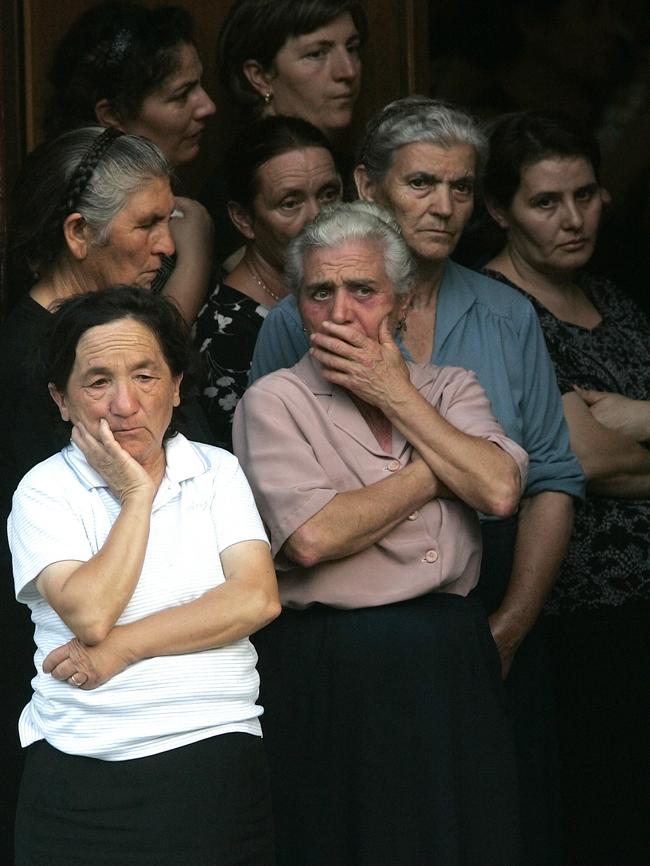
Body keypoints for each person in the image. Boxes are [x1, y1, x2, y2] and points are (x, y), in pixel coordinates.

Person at [249, 97, 585, 866]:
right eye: (423, 183)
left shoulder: (503, 317)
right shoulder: (291, 326)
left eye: (462, 188)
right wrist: (451, 468)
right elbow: (298, 508)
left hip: (478, 612)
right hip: (336, 624)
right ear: (370, 185)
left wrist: (509, 626)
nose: (444, 206)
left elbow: (537, 481)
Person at [234, 202, 529, 865]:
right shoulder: (274, 402)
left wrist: (398, 397)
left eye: (363, 290)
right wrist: (442, 469)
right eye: (320, 293)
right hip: (340, 669)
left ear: (402, 302)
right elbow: (313, 536)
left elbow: (502, 491)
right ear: (299, 307)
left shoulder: (450, 386)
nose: (341, 312)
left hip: (451, 660)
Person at [8, 285, 280, 865]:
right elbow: (90, 612)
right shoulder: (44, 490)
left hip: (214, 766)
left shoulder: (216, 473)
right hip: (80, 783)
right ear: (62, 399)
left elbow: (255, 598)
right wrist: (136, 493)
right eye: (98, 381)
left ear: (178, 387)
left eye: (146, 376)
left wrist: (122, 650)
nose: (124, 403)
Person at [0, 127, 211, 858]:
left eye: (170, 223)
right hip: (71, 684)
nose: (166, 246)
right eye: (148, 224)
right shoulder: (29, 365)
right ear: (78, 233)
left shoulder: (125, 333)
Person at [482, 108, 650, 866]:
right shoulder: (499, 311)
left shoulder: (617, 303)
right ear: (498, 210)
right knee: (603, 809)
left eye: (585, 194)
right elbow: (588, 462)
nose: (573, 219)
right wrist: (616, 436)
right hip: (583, 611)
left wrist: (637, 416)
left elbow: (620, 453)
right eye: (546, 202)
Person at [46, 0, 217, 321]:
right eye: (181, 95)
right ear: (111, 115)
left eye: (200, 85)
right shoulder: (89, 216)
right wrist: (195, 258)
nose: (207, 106)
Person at [193, 115, 341, 450]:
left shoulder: (355, 290)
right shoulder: (225, 337)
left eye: (329, 194)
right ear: (244, 219)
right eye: (290, 203)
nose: (318, 218)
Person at [204, 0, 366, 264]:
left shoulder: (355, 171)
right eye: (317, 54)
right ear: (260, 76)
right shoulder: (233, 190)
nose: (347, 71)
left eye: (352, 48)